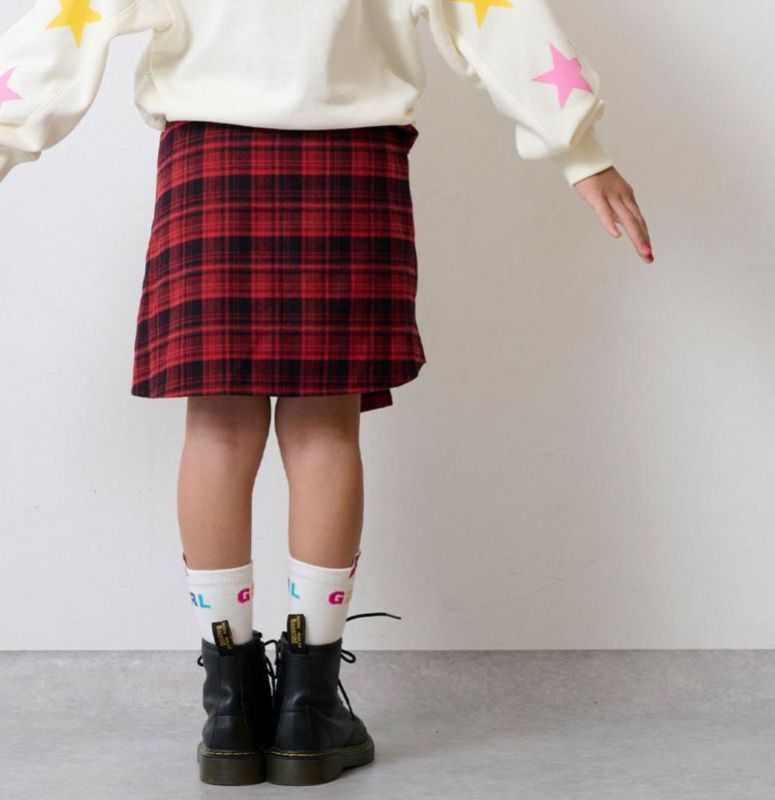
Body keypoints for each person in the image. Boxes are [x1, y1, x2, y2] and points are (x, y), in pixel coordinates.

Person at [0, 0, 653, 788]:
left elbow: (73, 16)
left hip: (212, 161)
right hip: (351, 162)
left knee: (217, 430)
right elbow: (494, 14)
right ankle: (307, 712)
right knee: (325, 431)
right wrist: (579, 147)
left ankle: (230, 711)